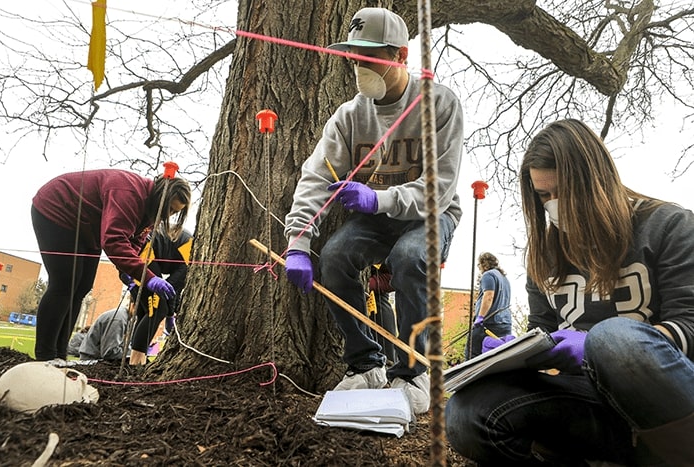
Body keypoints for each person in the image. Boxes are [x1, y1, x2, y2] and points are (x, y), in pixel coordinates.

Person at [445, 119, 694, 466]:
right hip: (592, 405)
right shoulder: (544, 256)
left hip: (669, 407)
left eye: (564, 191)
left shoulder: (669, 225)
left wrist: (598, 348)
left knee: (613, 340)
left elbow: (690, 327)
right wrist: (515, 354)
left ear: (597, 179)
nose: (554, 205)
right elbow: (543, 331)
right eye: (544, 195)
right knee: (465, 414)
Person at [283, 7, 463, 414]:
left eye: (369, 57)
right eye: (354, 57)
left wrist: (378, 198)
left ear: (400, 56)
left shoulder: (440, 104)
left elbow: (440, 187)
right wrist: (298, 240)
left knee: (411, 256)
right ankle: (365, 363)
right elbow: (316, 176)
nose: (359, 65)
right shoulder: (350, 117)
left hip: (430, 216)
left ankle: (415, 372)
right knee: (334, 256)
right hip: (374, 218)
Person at [31, 168, 191, 362]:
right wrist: (148, 278)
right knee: (65, 283)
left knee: (82, 287)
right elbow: (114, 241)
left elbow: (134, 242)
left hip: (89, 228)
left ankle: (59, 355)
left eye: (175, 212)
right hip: (59, 209)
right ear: (161, 197)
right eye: (170, 209)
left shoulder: (151, 211)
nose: (170, 215)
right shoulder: (130, 193)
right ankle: (45, 356)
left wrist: (127, 272)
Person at [125, 227, 192, 366]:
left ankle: (135, 358)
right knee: (157, 310)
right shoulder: (192, 250)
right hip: (143, 256)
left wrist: (171, 313)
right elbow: (171, 288)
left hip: (136, 257)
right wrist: (169, 314)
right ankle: (136, 362)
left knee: (145, 312)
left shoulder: (187, 244)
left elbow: (175, 288)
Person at [466, 252, 512, 359]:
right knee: (498, 357)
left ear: (484, 264)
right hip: (505, 324)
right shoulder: (505, 279)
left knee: (472, 355)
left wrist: (480, 317)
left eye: (479, 265)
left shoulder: (488, 275)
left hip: (488, 323)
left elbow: (489, 296)